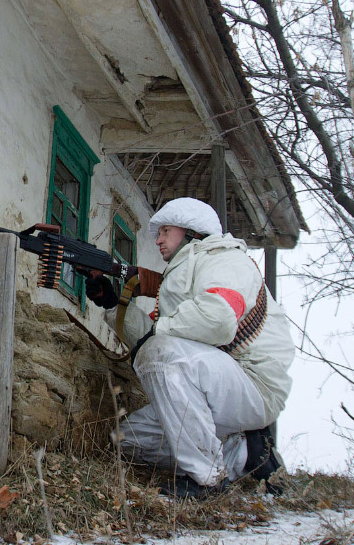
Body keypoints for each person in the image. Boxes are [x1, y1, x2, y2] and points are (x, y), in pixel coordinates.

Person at [85, 197, 295, 498]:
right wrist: (111, 301)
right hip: (214, 388)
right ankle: (243, 453)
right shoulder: (186, 272)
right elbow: (159, 341)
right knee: (127, 439)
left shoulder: (224, 259)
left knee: (162, 355)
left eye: (165, 231)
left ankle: (206, 480)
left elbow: (219, 319)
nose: (157, 240)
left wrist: (159, 331)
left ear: (192, 232)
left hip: (253, 386)